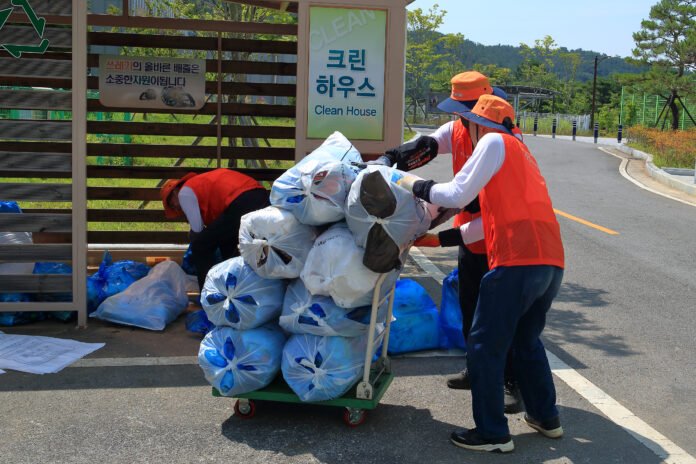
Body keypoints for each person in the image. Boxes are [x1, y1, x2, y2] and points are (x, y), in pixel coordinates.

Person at [399, 94, 565, 453]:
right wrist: (436, 240)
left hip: (516, 262)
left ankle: (492, 433)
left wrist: (409, 184)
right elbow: (482, 227)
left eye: (467, 122)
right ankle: (545, 417)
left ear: (478, 123)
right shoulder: (520, 155)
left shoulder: (493, 140)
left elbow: (456, 194)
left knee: (485, 345)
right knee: (526, 341)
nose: (464, 129)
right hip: (549, 263)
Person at [372, 71, 523, 412]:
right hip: (471, 232)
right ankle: (477, 369)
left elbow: (490, 204)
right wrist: (390, 158)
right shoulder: (456, 130)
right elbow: (424, 146)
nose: (460, 117)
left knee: (498, 316)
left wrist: (442, 238)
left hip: (499, 235)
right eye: (458, 110)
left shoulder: (503, 138)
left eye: (465, 109)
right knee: (470, 305)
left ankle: (511, 382)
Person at [160, 169, 270, 290]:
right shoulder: (199, 185)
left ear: (175, 192)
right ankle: (234, 287)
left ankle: (208, 293)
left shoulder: (184, 193)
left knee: (200, 246)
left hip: (241, 200)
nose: (175, 207)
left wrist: (193, 242)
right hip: (257, 195)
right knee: (226, 244)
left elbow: (197, 229)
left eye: (171, 203)